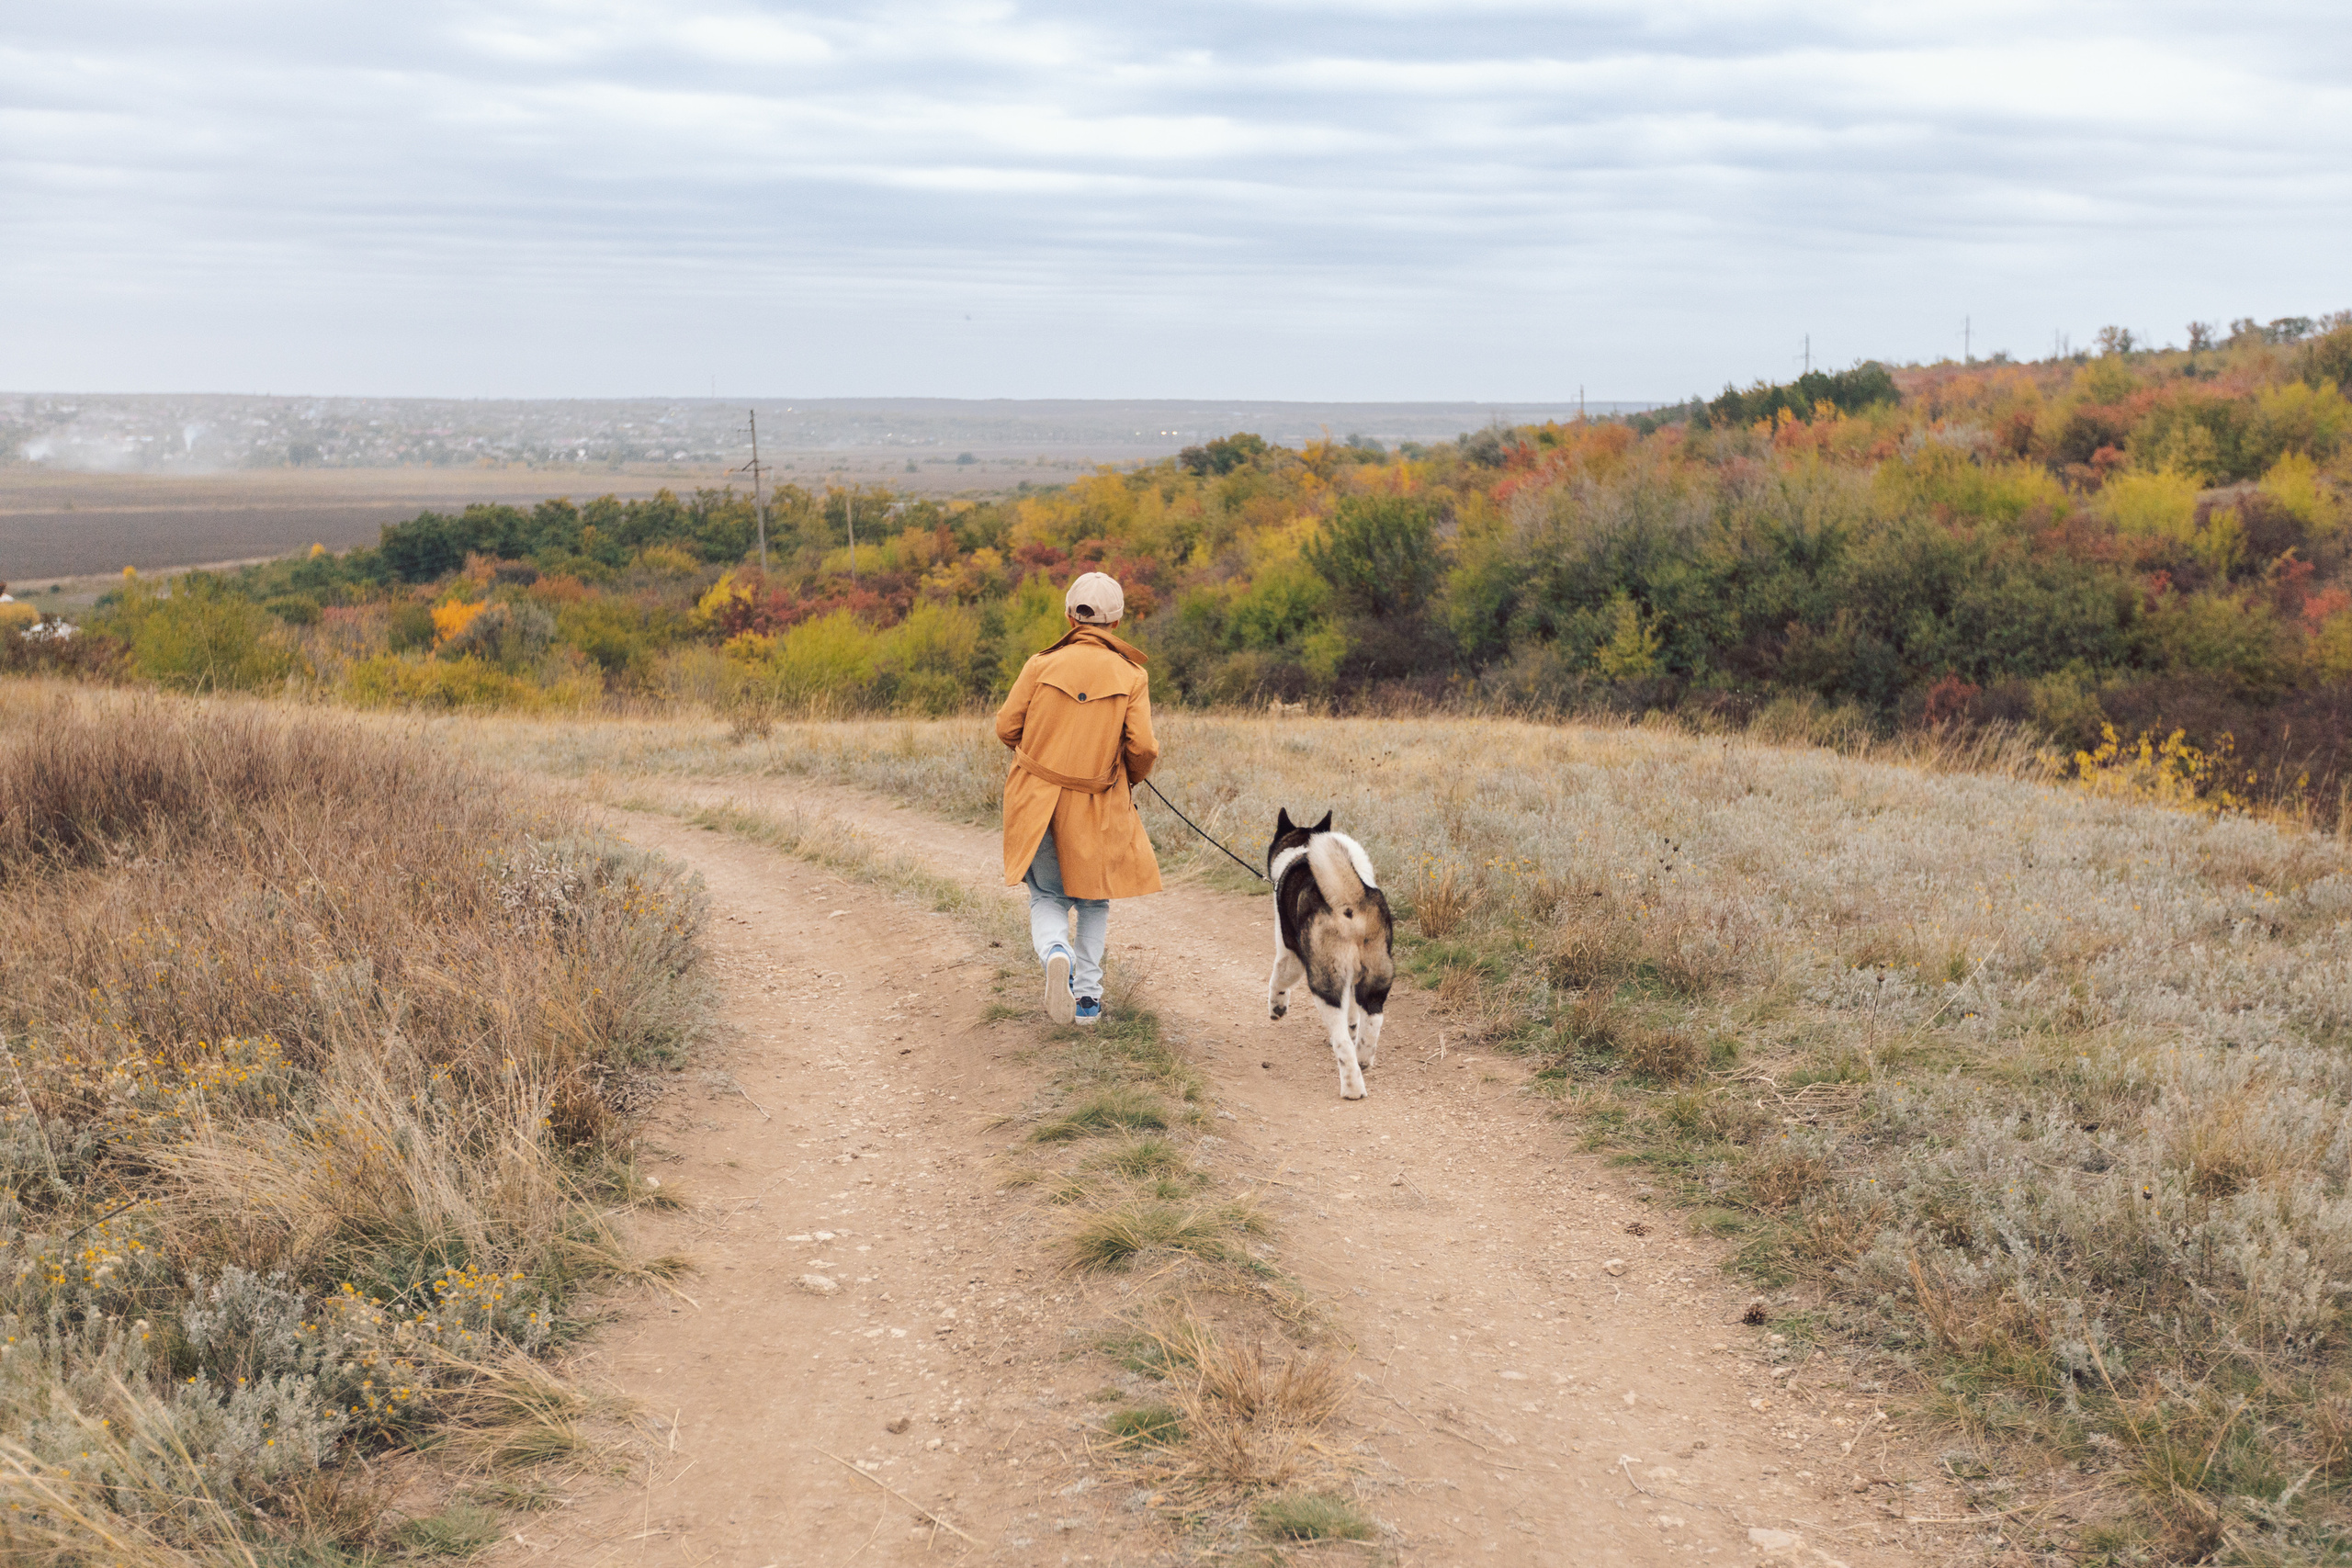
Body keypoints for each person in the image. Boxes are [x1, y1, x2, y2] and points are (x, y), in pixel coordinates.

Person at [995, 571, 1161, 1024]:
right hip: (1097, 802)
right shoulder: (1132, 674)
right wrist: (1128, 776)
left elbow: (1006, 727)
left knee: (1047, 894)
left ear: (1070, 616)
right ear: (1117, 621)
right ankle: (1088, 1001)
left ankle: (1055, 952)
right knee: (1093, 900)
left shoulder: (1039, 665)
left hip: (1038, 800)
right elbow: (1144, 747)